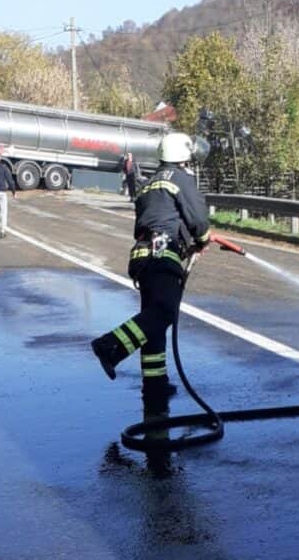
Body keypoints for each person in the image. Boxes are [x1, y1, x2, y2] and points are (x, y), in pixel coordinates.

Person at [91, 132, 211, 407]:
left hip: (143, 256)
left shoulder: (150, 182)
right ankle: (110, 346)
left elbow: (159, 216)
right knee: (164, 313)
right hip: (162, 255)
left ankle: (154, 384)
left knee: (152, 321)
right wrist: (202, 239)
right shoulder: (179, 178)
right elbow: (197, 216)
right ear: (183, 156)